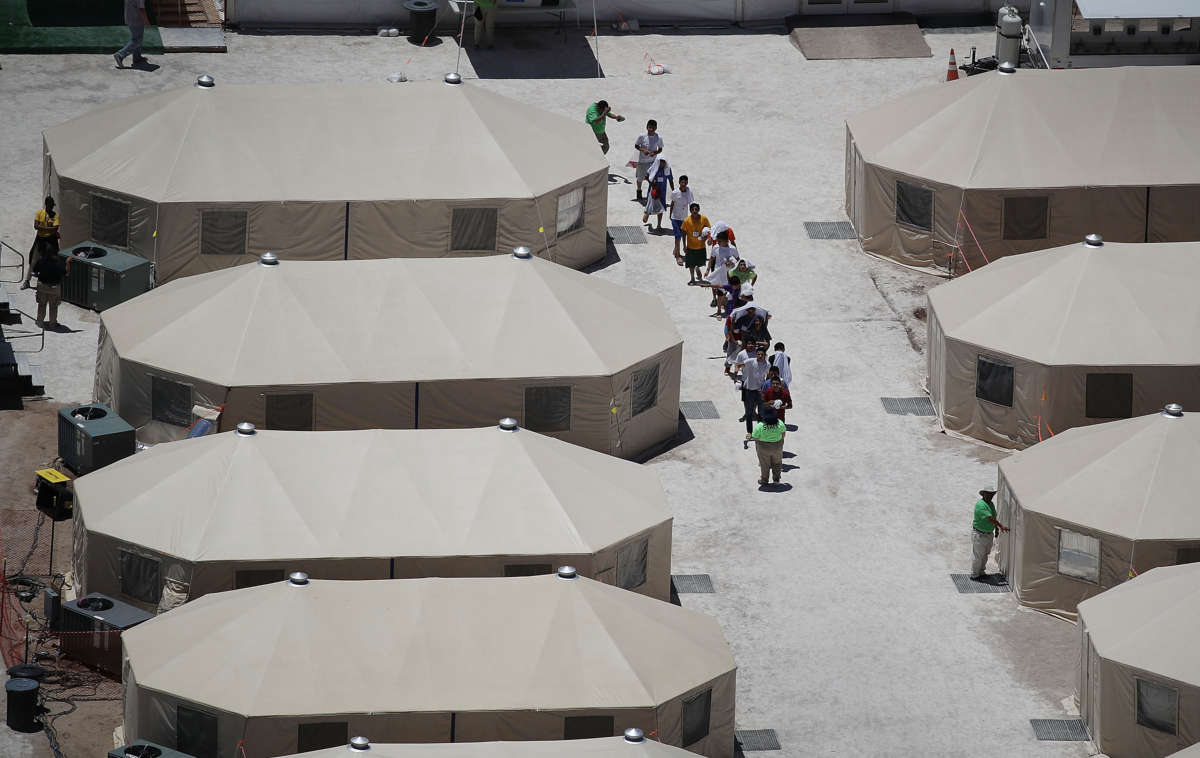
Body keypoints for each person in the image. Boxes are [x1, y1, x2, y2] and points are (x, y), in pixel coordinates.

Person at [23, 196, 60, 289]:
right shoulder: (40, 213)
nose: (51, 207)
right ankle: (27, 281)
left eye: (52, 206)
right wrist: (49, 229)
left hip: (50, 240)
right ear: (46, 205)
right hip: (40, 239)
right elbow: (36, 226)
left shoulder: (55, 216)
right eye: (50, 205)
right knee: (34, 259)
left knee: (51, 260)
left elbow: (55, 229)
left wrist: (43, 228)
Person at [971, 489, 1009, 580]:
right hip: (979, 534)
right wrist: (1001, 526)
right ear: (983, 494)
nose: (990, 496)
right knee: (978, 555)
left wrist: (996, 529)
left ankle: (981, 572)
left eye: (992, 494)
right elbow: (990, 518)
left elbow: (994, 516)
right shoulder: (981, 505)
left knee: (985, 554)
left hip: (988, 534)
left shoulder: (990, 504)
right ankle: (974, 574)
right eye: (988, 494)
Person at [736, 345, 771, 439]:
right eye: (758, 354)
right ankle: (749, 432)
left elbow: (768, 376)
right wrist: (737, 376)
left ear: (765, 355)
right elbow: (738, 365)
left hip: (760, 392)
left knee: (761, 413)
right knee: (749, 413)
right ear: (756, 354)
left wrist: (764, 386)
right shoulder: (751, 361)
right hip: (749, 390)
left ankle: (759, 432)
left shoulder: (767, 365)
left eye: (762, 354)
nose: (760, 356)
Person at [31, 251, 71, 329]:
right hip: (54, 289)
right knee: (53, 307)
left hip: (42, 287)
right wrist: (68, 262)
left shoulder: (41, 260)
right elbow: (67, 273)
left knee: (41, 305)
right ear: (54, 256)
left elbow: (35, 271)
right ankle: (52, 324)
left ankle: (39, 322)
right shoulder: (59, 264)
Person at [752, 405, 785, 485]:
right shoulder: (780, 423)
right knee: (777, 463)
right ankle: (776, 480)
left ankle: (764, 480)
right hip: (777, 446)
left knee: (764, 464)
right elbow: (783, 435)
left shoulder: (760, 426)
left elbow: (755, 437)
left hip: (763, 447)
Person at [679, 203, 710, 286]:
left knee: (699, 263)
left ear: (698, 210)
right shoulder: (686, 221)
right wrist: (684, 246)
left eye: (696, 209)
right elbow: (684, 233)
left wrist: (706, 238)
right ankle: (692, 279)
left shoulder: (704, 219)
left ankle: (697, 267)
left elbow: (709, 230)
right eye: (692, 210)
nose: (694, 211)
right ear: (690, 211)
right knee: (690, 264)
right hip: (690, 247)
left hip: (701, 246)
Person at [633, 120, 664, 202]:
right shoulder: (642, 136)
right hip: (642, 161)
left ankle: (652, 193)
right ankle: (639, 190)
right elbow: (636, 145)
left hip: (653, 162)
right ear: (647, 127)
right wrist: (643, 150)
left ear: (656, 128)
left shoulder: (658, 138)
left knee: (653, 178)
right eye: (650, 127)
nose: (651, 129)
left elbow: (660, 149)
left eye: (653, 128)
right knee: (640, 178)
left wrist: (655, 153)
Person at [641, 156, 673, 232]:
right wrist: (652, 184)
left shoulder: (667, 169)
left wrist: (673, 191)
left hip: (662, 192)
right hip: (653, 191)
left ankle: (659, 225)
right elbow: (646, 177)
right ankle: (647, 214)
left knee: (661, 208)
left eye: (663, 161)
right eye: (661, 161)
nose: (662, 163)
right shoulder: (653, 167)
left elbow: (671, 180)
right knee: (648, 210)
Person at [114, 0, 149, 69]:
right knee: (137, 40)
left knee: (138, 38)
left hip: (129, 18)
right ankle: (120, 55)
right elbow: (141, 9)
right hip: (136, 19)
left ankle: (137, 58)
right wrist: (146, 21)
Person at [668, 175, 695, 263]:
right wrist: (670, 214)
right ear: (679, 183)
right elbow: (672, 203)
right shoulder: (675, 192)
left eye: (685, 182)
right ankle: (678, 256)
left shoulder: (689, 192)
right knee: (678, 236)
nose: (684, 184)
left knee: (684, 235)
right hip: (675, 217)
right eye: (682, 182)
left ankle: (676, 249)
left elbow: (691, 204)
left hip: (684, 218)